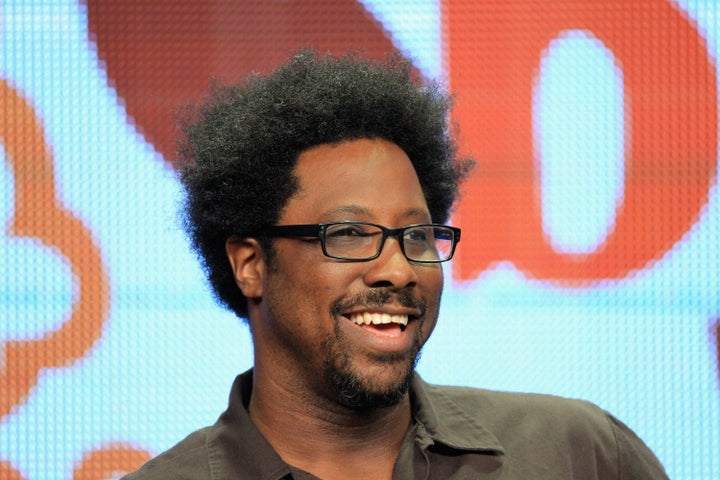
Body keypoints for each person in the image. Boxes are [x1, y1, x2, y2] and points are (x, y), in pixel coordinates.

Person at [123, 50, 668, 479]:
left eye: (417, 235)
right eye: (352, 233)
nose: (400, 269)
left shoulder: (577, 454)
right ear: (251, 264)